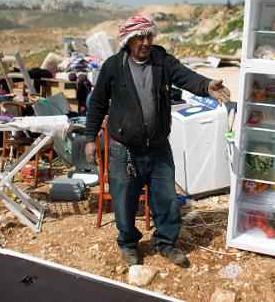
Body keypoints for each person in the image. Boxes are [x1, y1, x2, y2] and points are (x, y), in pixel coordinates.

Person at [84, 15, 230, 268]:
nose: (145, 42)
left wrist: (207, 86)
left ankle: (166, 243)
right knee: (124, 202)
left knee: (167, 200)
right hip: (124, 150)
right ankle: (129, 245)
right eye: (139, 37)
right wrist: (89, 138)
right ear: (128, 41)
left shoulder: (162, 61)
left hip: (159, 148)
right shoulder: (113, 67)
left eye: (149, 36)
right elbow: (97, 103)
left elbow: (185, 76)